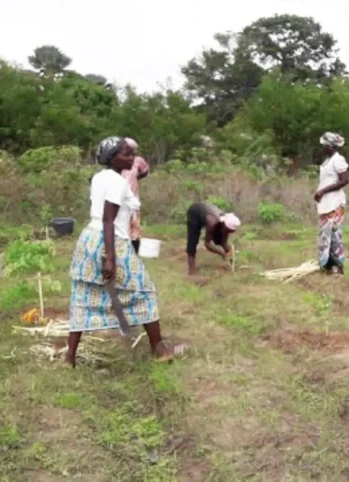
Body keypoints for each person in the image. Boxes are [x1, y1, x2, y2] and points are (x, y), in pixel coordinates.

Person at [66, 137, 185, 366]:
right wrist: (111, 258)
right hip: (111, 242)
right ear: (112, 158)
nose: (132, 159)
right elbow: (108, 220)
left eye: (132, 154)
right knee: (144, 291)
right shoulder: (117, 182)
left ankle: (69, 357)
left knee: (83, 295)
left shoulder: (100, 177)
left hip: (89, 239)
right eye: (126, 154)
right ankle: (159, 350)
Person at [315, 132, 349, 274]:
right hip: (326, 204)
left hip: (335, 203)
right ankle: (327, 266)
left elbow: (344, 180)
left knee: (335, 234)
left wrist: (323, 191)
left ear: (330, 146)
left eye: (324, 145)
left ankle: (339, 267)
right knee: (325, 235)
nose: (322, 147)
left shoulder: (338, 160)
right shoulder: (327, 160)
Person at [185, 201, 240, 276]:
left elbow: (223, 241)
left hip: (206, 212)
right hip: (194, 212)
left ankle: (229, 261)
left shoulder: (225, 222)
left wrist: (228, 252)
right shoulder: (212, 222)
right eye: (228, 231)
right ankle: (192, 270)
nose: (228, 233)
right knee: (193, 241)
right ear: (224, 225)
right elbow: (207, 244)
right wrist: (222, 253)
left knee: (218, 239)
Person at [120, 137, 149, 253]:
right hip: (119, 198)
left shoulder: (138, 161)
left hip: (133, 197)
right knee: (121, 225)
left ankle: (134, 255)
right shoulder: (118, 161)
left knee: (134, 226)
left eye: (132, 151)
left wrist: (135, 179)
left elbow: (144, 172)